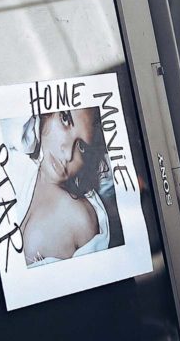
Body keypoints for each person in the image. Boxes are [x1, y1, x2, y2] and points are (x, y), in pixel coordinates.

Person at [11, 107, 119, 268]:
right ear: (46, 114)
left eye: (82, 146)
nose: (68, 153)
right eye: (65, 119)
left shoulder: (81, 218)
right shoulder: (14, 162)